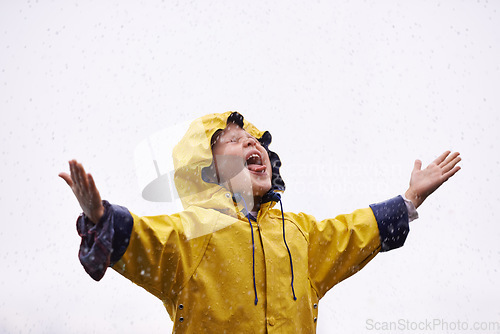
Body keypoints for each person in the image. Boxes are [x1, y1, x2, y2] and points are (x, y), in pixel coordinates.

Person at [59, 111, 461, 333]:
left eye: (255, 142)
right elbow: (145, 237)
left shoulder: (299, 234)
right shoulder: (193, 233)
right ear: (207, 170)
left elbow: (353, 231)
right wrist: (100, 218)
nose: (253, 144)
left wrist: (409, 200)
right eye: (234, 141)